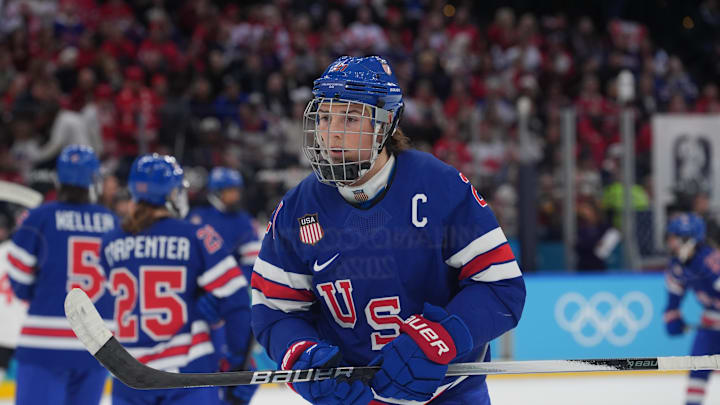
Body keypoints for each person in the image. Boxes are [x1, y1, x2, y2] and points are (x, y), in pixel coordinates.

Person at [251, 56, 526, 405]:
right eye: (324, 116)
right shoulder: (296, 209)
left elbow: (501, 288)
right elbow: (273, 310)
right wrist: (302, 355)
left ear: (385, 125)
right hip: (355, 400)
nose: (331, 132)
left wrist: (444, 336)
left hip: (446, 395)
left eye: (349, 118)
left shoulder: (440, 186)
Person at [101, 154, 251, 405]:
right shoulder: (197, 236)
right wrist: (238, 363)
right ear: (171, 193)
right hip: (188, 373)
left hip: (129, 377)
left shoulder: (110, 242)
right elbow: (236, 303)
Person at [7, 145, 118, 405]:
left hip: (44, 343)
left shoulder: (39, 217)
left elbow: (18, 274)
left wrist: (41, 295)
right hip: (97, 346)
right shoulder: (113, 221)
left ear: (59, 178)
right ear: (94, 180)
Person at [186, 167, 260, 404]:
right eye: (229, 191)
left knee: (239, 357)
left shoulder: (243, 222)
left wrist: (226, 290)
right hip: (201, 301)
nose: (234, 196)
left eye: (236, 191)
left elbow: (252, 265)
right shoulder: (196, 216)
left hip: (231, 300)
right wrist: (200, 291)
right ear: (216, 192)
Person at [663, 213, 720, 405]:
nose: (670, 243)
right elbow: (673, 299)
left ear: (688, 239)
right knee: (697, 370)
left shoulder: (711, 262)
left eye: (673, 238)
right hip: (710, 325)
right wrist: (672, 317)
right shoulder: (678, 265)